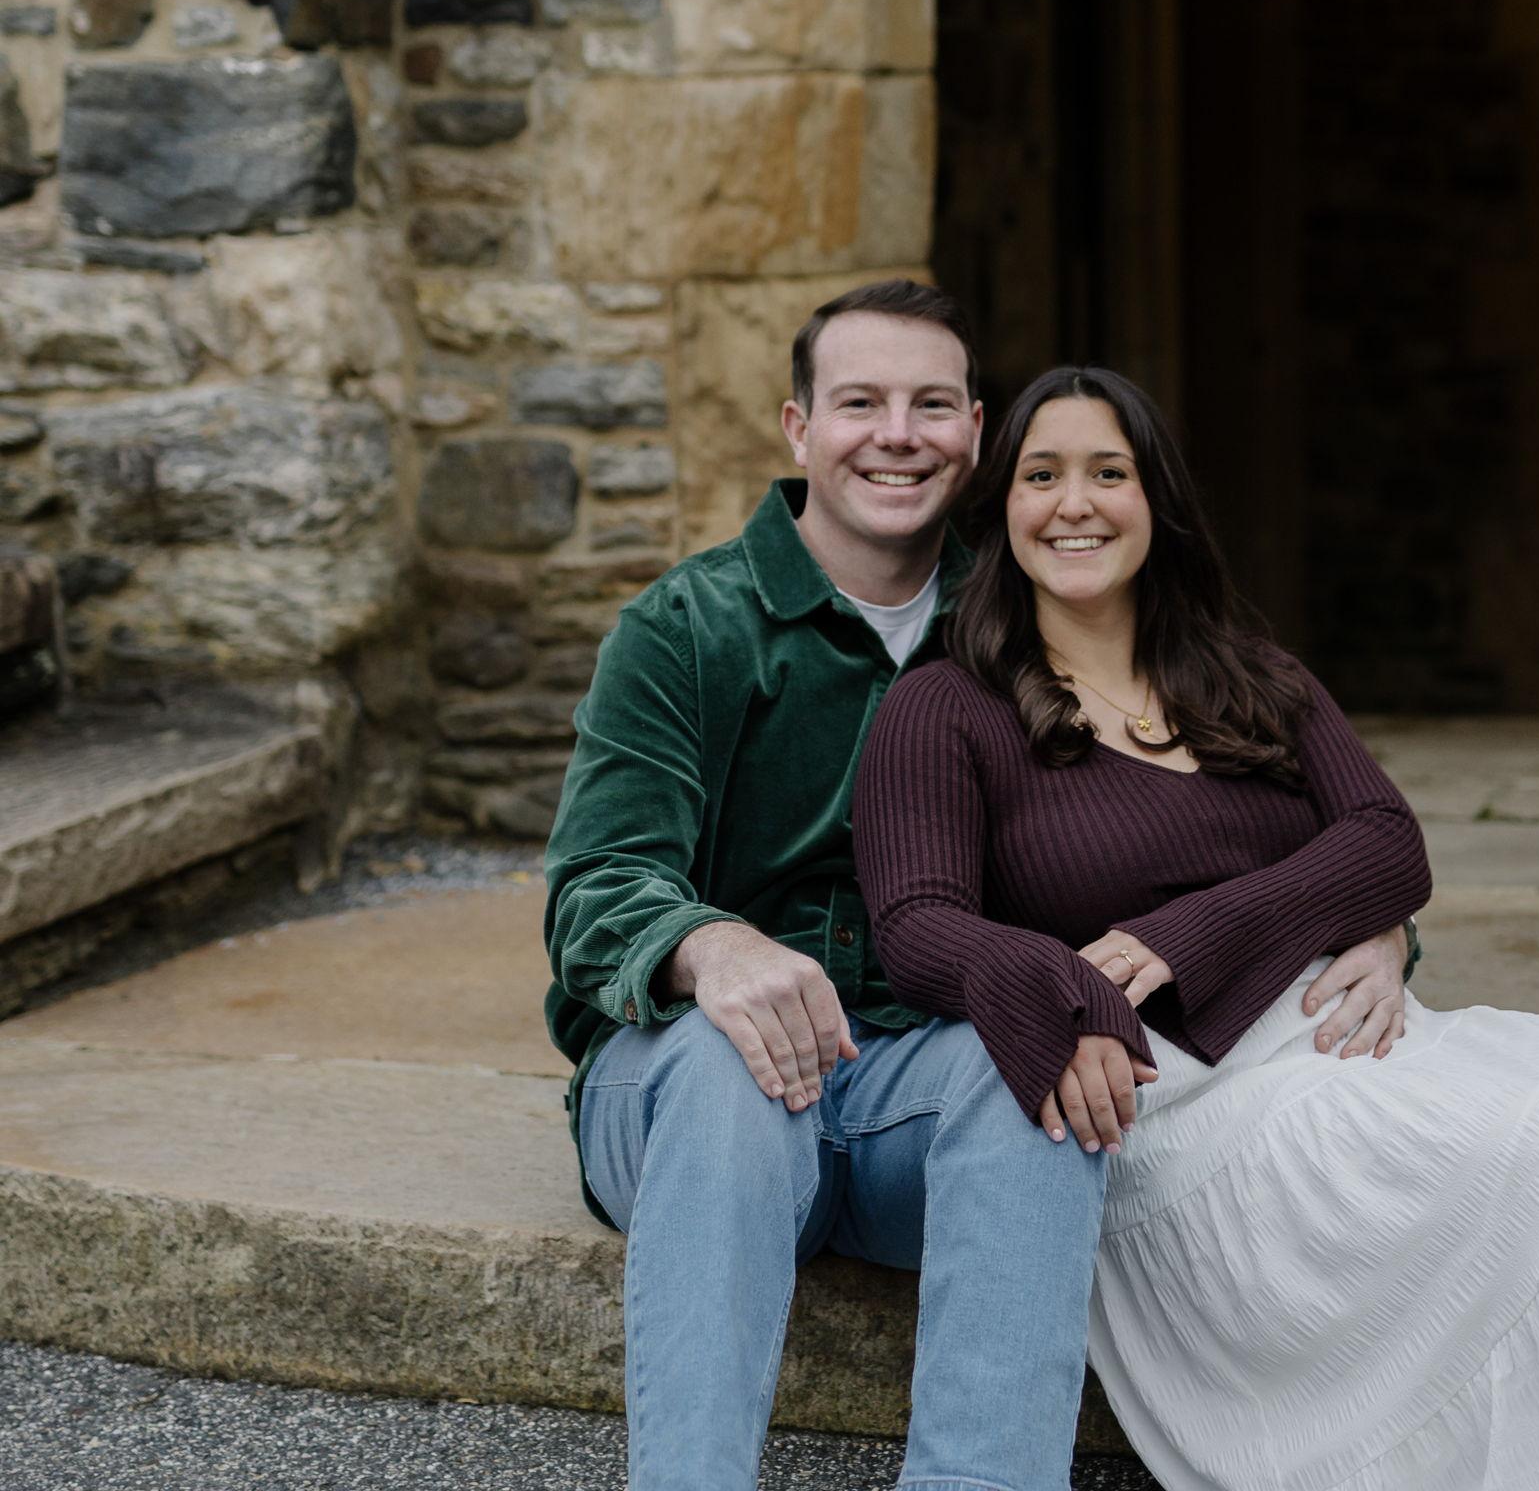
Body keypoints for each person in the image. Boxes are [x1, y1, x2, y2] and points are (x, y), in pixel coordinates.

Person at [851, 363, 1539, 1491]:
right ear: (1001, 507)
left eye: (1108, 472)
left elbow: (1386, 842)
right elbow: (917, 925)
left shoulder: (1244, 671)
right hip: (1187, 1095)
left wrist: (1218, 928)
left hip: (1356, 1035)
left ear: (1158, 501)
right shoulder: (948, 704)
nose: (1074, 504)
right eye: (1041, 476)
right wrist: (1060, 983)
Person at [541, 281, 1420, 1491]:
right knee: (726, 1057)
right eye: (860, 403)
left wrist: (1370, 921)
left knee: (1033, 1060)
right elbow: (595, 882)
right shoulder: (686, 624)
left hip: (912, 1083)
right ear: (799, 427)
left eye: (930, 405)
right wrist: (711, 947)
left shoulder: (1026, 611)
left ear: (974, 432)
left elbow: (1211, 826)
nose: (896, 434)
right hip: (691, 1089)